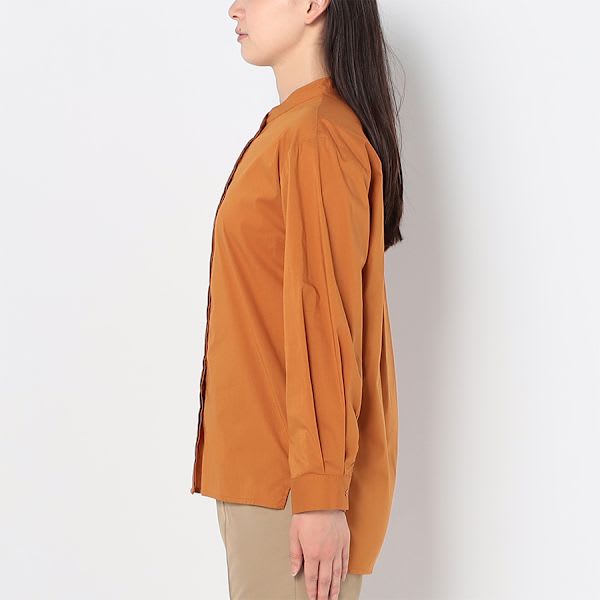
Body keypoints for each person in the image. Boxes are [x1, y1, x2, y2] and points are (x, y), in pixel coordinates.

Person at [190, 1, 404, 598]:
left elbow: (324, 323)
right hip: (267, 478)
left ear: (312, 4)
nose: (234, 8)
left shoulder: (315, 135)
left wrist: (320, 496)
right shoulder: (295, 128)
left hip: (292, 491)